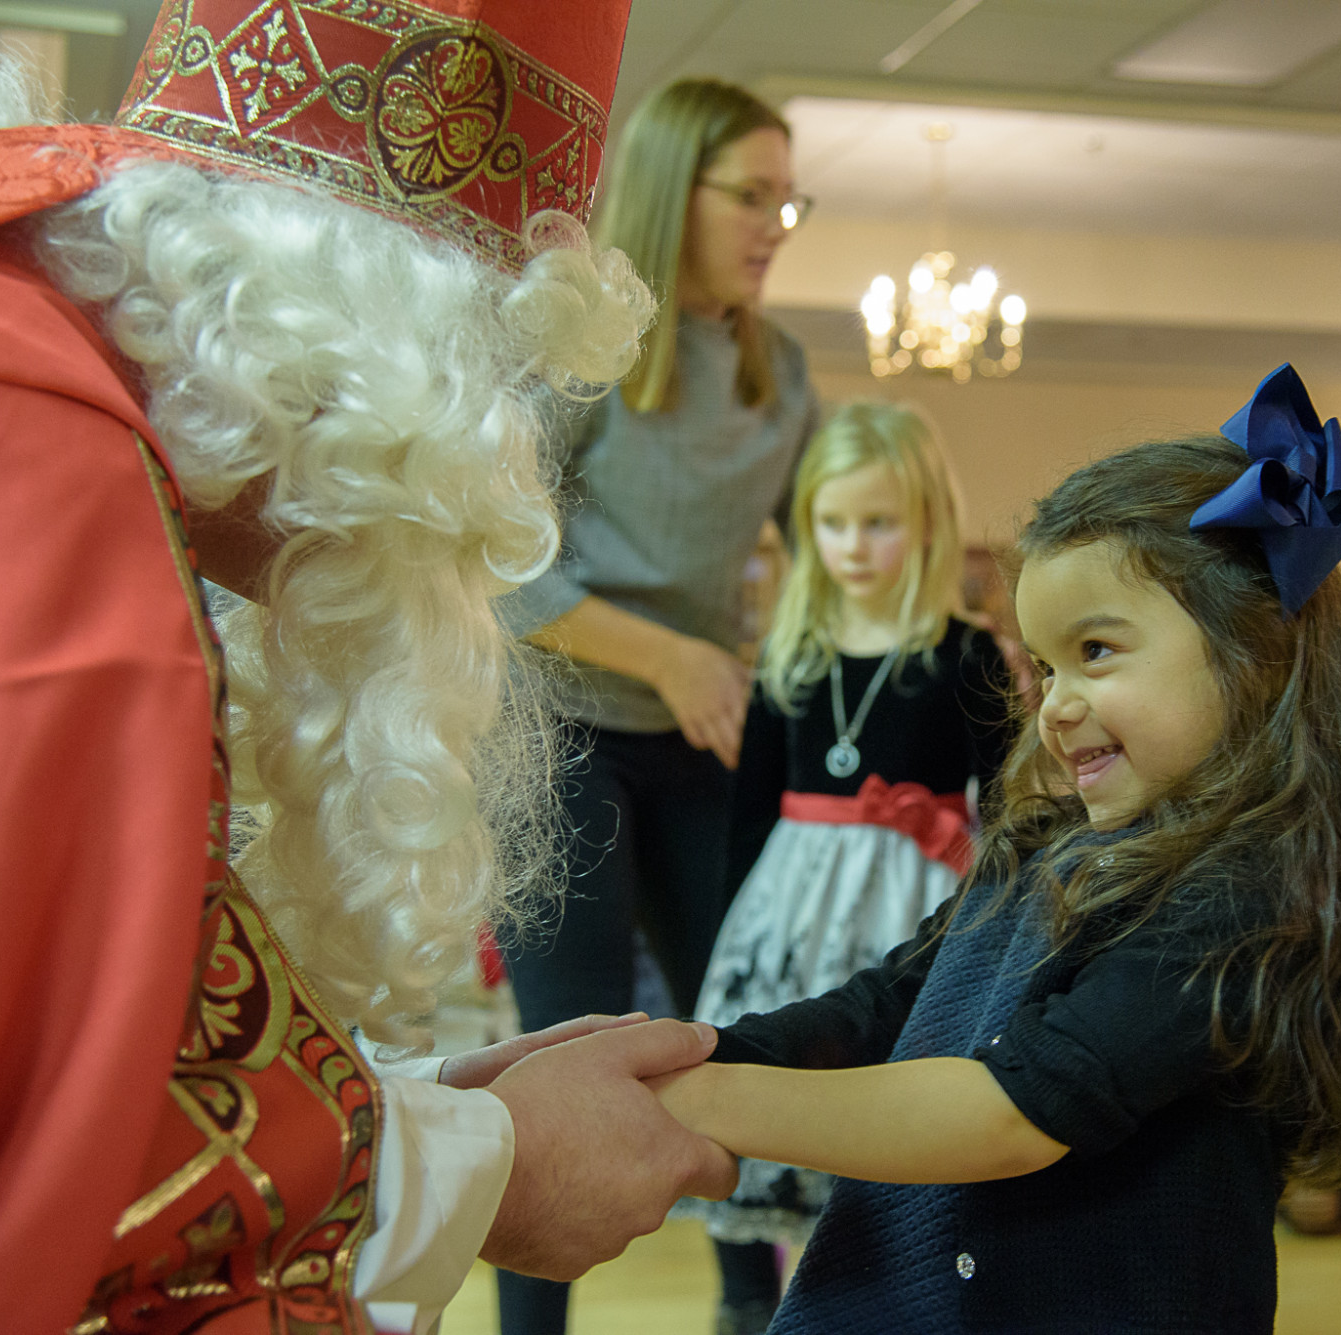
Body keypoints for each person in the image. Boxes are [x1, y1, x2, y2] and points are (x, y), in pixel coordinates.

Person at [0, 8, 742, 1330]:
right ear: (369, 347)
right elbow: (13, 1169)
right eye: (486, 393)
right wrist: (489, 1164)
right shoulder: (40, 458)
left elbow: (26, 1028)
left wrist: (404, 1114)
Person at [647, 365, 1341, 1333]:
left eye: (1095, 652)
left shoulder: (1250, 890)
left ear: (1255, 656)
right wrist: (691, 1051)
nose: (1055, 705)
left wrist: (706, 1101)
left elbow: (1011, 1112)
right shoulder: (1045, 845)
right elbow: (888, 1005)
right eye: (1046, 665)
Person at [490, 73, 819, 1332]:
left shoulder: (781, 375)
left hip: (701, 743)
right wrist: (673, 656)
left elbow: (827, 551)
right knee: (564, 1059)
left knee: (729, 1038)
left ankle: (751, 1310)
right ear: (675, 192)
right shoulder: (582, 349)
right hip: (557, 736)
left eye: (789, 201)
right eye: (751, 197)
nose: (774, 226)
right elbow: (502, 561)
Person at [689, 401, 1012, 1330]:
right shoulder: (789, 656)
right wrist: (731, 933)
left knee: (890, 1083)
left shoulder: (963, 653)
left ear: (927, 522)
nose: (854, 545)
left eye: (878, 522)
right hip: (791, 910)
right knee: (785, 1080)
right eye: (833, 523)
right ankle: (768, 1301)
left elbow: (1008, 805)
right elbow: (750, 815)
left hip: (912, 905)